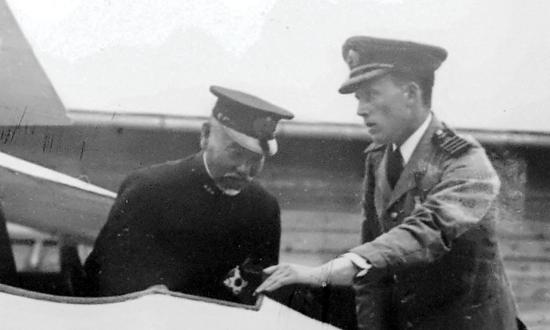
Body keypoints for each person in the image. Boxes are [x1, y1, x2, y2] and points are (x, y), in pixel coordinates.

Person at [255, 36, 524, 329]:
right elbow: (373, 267)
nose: (360, 109)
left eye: (370, 95)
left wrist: (325, 273)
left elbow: (429, 228)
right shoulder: (379, 158)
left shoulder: (465, 162)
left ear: (410, 92)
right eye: (358, 98)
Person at [84, 86, 294, 304]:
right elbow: (103, 275)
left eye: (255, 159)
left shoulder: (263, 208)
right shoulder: (148, 189)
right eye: (236, 153)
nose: (243, 169)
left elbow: (258, 291)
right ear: (205, 136)